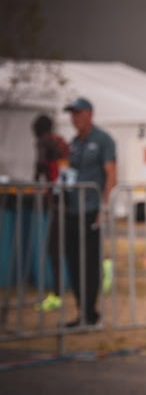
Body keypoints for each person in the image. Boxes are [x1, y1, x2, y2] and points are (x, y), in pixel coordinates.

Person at [62, 97, 116, 327]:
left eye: (78, 113)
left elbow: (111, 176)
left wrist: (104, 208)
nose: (74, 118)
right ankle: (81, 312)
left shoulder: (103, 140)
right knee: (73, 261)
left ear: (89, 114)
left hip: (92, 209)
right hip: (72, 208)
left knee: (90, 262)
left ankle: (91, 314)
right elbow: (69, 172)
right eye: (72, 114)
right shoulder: (74, 142)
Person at [31, 114, 70, 312]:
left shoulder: (43, 141)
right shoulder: (59, 140)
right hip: (68, 196)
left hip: (58, 199)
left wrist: (36, 183)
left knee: (53, 248)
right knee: (65, 246)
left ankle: (57, 293)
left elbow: (40, 165)